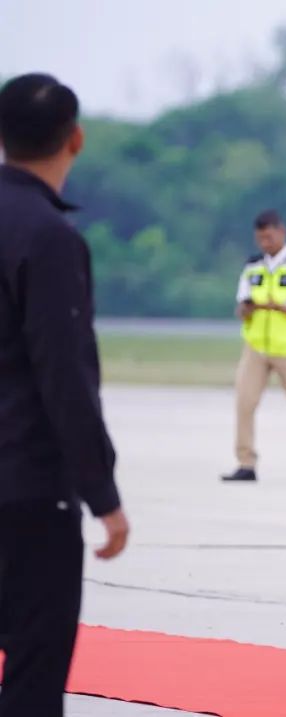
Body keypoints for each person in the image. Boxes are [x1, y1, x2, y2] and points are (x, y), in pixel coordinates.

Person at [0, 73, 129, 717]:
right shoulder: (48, 236)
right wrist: (102, 495)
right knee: (32, 672)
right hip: (23, 492)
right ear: (74, 138)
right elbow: (64, 375)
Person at [221, 209, 286, 484]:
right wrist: (247, 308)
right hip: (256, 346)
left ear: (282, 232)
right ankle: (246, 462)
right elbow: (242, 302)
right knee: (244, 403)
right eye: (259, 238)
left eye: (268, 237)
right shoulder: (253, 265)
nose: (264, 243)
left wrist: (277, 307)